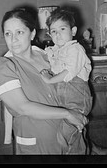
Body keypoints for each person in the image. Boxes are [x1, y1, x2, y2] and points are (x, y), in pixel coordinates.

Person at [0, 8, 88, 155]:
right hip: (38, 144)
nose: (13, 39)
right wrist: (67, 114)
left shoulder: (48, 56)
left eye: (20, 32)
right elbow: (23, 107)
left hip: (71, 139)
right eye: (8, 34)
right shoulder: (3, 66)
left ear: (32, 34)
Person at [39, 8, 93, 153]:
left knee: (65, 135)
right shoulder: (55, 50)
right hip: (63, 101)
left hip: (76, 100)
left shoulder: (76, 49)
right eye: (54, 31)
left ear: (73, 31)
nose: (58, 34)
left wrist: (49, 80)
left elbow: (68, 72)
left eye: (62, 29)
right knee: (71, 137)